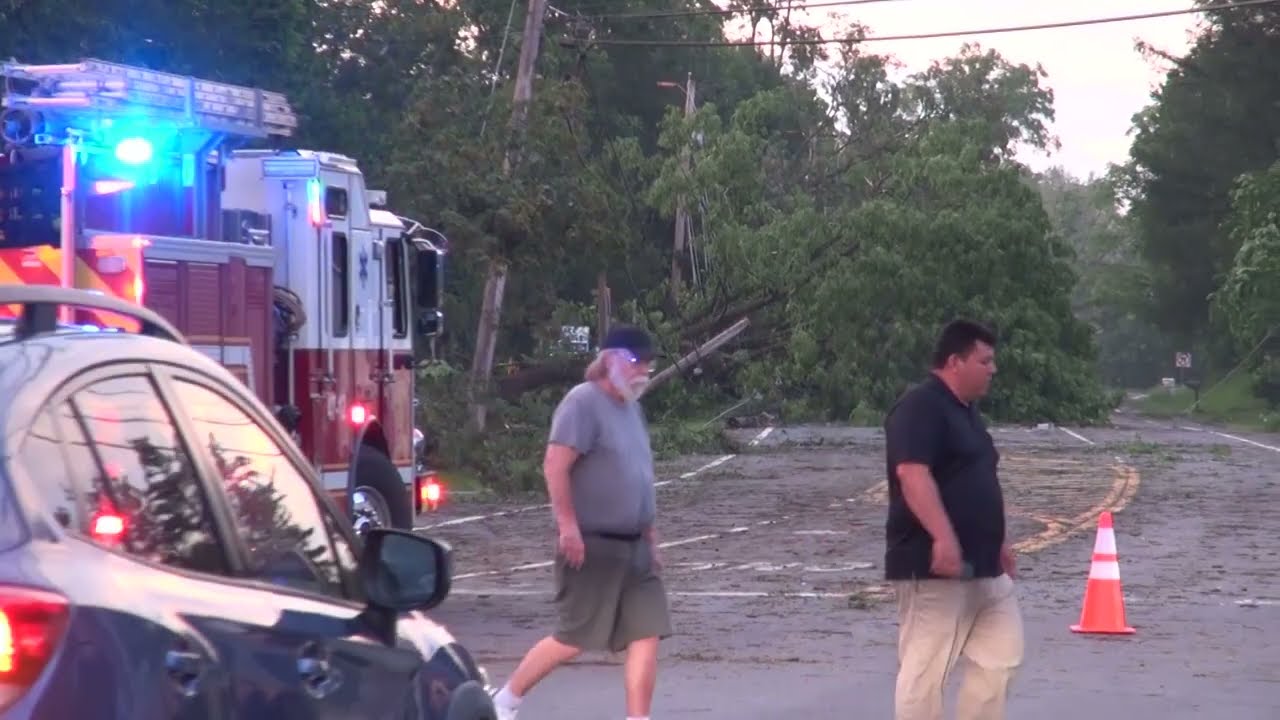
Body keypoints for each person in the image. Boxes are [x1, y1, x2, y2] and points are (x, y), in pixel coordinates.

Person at [491, 324, 672, 720]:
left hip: (636, 548)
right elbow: (556, 465)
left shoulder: (632, 408)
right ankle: (506, 700)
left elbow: (640, 473)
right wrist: (567, 526)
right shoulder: (582, 403)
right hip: (594, 544)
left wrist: (651, 534)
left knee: (647, 632)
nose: (644, 370)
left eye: (647, 363)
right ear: (611, 360)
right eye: (636, 361)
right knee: (574, 636)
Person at [882, 318, 1024, 720]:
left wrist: (999, 541)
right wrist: (943, 538)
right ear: (955, 362)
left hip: (985, 568)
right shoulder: (920, 407)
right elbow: (912, 473)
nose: (993, 369)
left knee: (1002, 658)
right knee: (925, 673)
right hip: (933, 568)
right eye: (985, 360)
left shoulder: (968, 414)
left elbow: (978, 480)